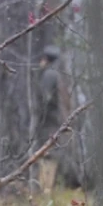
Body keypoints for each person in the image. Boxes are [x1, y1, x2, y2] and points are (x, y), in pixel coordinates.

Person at [34, 45, 66, 193]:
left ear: (45, 59)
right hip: (55, 119)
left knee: (47, 155)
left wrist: (40, 114)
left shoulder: (48, 75)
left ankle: (46, 188)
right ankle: (48, 187)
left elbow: (46, 98)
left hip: (49, 121)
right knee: (50, 154)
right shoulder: (56, 74)